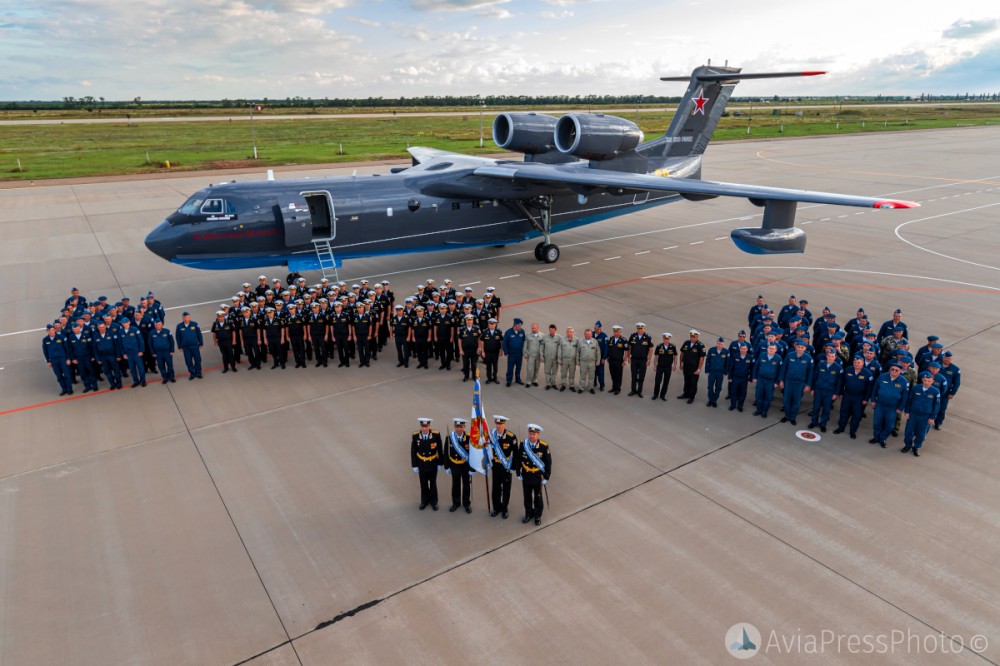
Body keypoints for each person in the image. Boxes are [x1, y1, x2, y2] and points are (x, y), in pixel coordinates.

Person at [515, 423, 551, 526]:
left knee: (538, 498)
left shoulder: (544, 446)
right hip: (526, 475)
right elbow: (519, 459)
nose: (532, 436)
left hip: (537, 476)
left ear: (538, 435)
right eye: (530, 433)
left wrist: (546, 477)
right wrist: (518, 472)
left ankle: (537, 516)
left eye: (534, 434)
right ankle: (528, 514)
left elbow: (548, 463)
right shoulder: (523, 444)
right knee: (527, 497)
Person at [869, 363, 909, 448]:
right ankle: (876, 437)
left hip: (893, 407)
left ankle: (883, 439)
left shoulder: (904, 381)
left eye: (896, 370)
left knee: (889, 425)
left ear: (900, 371)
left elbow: (905, 396)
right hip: (880, 404)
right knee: (877, 422)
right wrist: (873, 400)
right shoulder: (882, 376)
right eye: (892, 369)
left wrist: (900, 408)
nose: (894, 371)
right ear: (890, 369)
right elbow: (875, 389)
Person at [901, 371, 940, 457]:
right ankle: (908, 445)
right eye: (925, 380)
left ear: (932, 381)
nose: (926, 382)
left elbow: (936, 406)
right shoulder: (915, 388)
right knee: (908, 431)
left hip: (925, 416)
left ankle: (916, 447)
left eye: (929, 381)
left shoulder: (935, 391)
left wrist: (932, 417)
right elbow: (909, 400)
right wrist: (907, 411)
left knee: (921, 434)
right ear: (922, 379)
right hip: (913, 414)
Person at [834, 355, 873, 438]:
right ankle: (841, 428)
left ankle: (853, 431)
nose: (857, 364)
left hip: (859, 398)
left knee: (856, 415)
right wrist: (840, 392)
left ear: (862, 363)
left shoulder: (867, 373)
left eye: (858, 362)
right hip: (847, 395)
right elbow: (842, 382)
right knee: (844, 412)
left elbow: (869, 388)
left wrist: (866, 399)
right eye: (855, 362)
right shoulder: (848, 369)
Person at [488, 416, 518, 519]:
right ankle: (496, 508)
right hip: (495, 466)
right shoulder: (491, 435)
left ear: (504, 424)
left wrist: (513, 467)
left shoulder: (511, 437)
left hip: (506, 468)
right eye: (496, 424)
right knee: (495, 489)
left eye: (500, 424)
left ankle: (504, 509)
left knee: (506, 490)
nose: (498, 426)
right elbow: (486, 448)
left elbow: (516, 453)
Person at [411, 417, 442, 511]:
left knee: (433, 483)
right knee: (423, 483)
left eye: (426, 426)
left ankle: (434, 502)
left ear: (429, 426)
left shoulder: (436, 435)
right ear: (420, 426)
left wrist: (440, 463)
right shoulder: (416, 436)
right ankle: (424, 501)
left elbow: (440, 450)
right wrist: (414, 465)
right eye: (422, 426)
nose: (424, 429)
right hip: (422, 464)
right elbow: (413, 451)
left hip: (432, 463)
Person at [780, 339, 813, 426]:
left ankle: (792, 417)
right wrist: (781, 380)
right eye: (798, 347)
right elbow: (783, 368)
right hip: (788, 381)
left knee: (796, 401)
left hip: (800, 383)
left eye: (802, 347)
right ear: (796, 347)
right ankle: (786, 416)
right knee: (786, 400)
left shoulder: (808, 359)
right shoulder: (789, 355)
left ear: (805, 348)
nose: (800, 349)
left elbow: (810, 373)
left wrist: (808, 385)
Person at [808, 349, 842, 432]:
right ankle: (814, 422)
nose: (830, 358)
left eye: (832, 357)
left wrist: (836, 393)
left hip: (829, 391)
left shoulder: (838, 368)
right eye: (829, 356)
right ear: (826, 356)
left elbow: (839, 382)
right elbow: (815, 377)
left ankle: (823, 424)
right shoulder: (820, 364)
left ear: (835, 357)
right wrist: (812, 389)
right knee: (816, 407)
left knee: (826, 409)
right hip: (818, 390)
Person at [444, 418, 473, 513]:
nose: (459, 429)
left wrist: (472, 468)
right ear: (454, 427)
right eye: (457, 426)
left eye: (461, 427)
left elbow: (473, 454)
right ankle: (455, 503)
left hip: (465, 466)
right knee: (455, 485)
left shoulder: (469, 438)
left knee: (466, 485)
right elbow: (446, 453)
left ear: (464, 427)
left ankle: (466, 504)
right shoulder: (449, 437)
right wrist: (447, 466)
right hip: (454, 465)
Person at [751, 343, 782, 418]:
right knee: (758, 396)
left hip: (771, 381)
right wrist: (754, 377)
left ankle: (764, 411)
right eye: (769, 348)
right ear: (767, 348)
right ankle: (758, 410)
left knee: (768, 398)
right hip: (761, 379)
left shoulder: (778, 358)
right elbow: (756, 366)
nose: (771, 350)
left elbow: (780, 371)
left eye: (772, 348)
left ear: (776, 350)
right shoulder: (762, 355)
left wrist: (776, 382)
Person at [67, 321, 99, 393]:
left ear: (79, 328)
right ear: (72, 330)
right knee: (82, 373)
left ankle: (94, 386)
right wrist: (73, 359)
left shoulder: (86, 335)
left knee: (91, 371)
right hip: (78, 358)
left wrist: (93, 356)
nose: (75, 330)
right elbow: (70, 349)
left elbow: (91, 347)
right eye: (74, 329)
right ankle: (87, 386)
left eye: (77, 328)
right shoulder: (71, 337)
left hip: (87, 357)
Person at [42, 325, 73, 396]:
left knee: (67, 374)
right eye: (49, 330)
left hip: (62, 358)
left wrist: (68, 358)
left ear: (55, 330)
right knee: (59, 376)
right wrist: (48, 361)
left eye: (52, 330)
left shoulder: (61, 337)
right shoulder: (45, 340)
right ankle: (64, 389)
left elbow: (66, 349)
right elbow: (45, 351)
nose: (51, 331)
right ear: (47, 331)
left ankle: (69, 389)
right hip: (53, 360)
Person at [677, 330, 706, 403]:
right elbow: (682, 354)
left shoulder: (700, 345)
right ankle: (685, 394)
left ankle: (691, 397)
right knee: (686, 381)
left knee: (693, 383)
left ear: (697, 337)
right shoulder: (686, 343)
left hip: (694, 367)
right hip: (686, 366)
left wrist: (699, 369)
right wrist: (681, 364)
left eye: (694, 337)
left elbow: (702, 358)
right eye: (691, 336)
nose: (692, 338)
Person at [93, 321, 123, 390]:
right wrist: (98, 359)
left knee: (116, 370)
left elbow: (116, 346)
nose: (102, 328)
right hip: (103, 357)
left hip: (112, 356)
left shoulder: (112, 334)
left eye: (103, 327)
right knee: (107, 372)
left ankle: (119, 383)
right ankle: (112, 384)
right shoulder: (95, 336)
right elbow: (95, 349)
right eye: (100, 327)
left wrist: (118, 356)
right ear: (98, 328)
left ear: (105, 327)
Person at [626, 323, 653, 398]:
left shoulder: (648, 337)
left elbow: (650, 349)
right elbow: (629, 346)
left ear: (644, 329)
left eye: (641, 329)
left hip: (643, 360)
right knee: (634, 375)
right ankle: (633, 390)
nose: (640, 330)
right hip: (634, 359)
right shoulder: (633, 336)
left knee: (641, 376)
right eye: (639, 328)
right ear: (637, 329)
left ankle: (639, 391)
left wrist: (649, 359)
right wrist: (628, 357)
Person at [175, 312, 204, 380]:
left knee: (198, 360)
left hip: (195, 346)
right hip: (186, 347)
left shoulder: (195, 324)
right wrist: (180, 346)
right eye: (184, 317)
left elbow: (199, 334)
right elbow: (178, 337)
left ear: (189, 317)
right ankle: (192, 373)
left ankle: (198, 373)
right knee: (188, 361)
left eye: (187, 317)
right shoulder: (179, 326)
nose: (186, 318)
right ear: (182, 318)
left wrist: (201, 343)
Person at [935, 352, 960, 430]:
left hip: (945, 393)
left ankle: (938, 422)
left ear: (952, 358)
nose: (946, 359)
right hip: (933, 390)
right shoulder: (935, 365)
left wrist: (952, 393)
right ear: (943, 357)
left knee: (942, 408)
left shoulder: (955, 369)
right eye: (945, 358)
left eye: (948, 358)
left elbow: (957, 383)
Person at [119, 317, 147, 387]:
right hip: (128, 354)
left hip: (136, 353)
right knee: (132, 369)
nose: (124, 324)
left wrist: (141, 350)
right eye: (123, 323)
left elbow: (141, 341)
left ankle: (143, 381)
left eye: (125, 323)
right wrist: (123, 354)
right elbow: (120, 344)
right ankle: (136, 381)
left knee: (140, 368)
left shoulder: (135, 330)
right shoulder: (121, 332)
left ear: (129, 322)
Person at [726, 341, 754, 412]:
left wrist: (750, 379)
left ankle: (740, 406)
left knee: (743, 393)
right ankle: (733, 405)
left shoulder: (749, 357)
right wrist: (730, 377)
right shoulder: (735, 356)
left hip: (744, 379)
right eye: (741, 348)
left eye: (744, 349)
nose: (743, 350)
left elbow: (751, 369)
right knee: (733, 392)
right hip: (735, 377)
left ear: (747, 349)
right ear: (739, 349)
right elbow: (731, 367)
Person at [149, 319, 177, 384]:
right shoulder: (151, 333)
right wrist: (153, 353)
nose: (158, 326)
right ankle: (165, 378)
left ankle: (171, 377)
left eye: (159, 324)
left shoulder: (167, 331)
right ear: (154, 325)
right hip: (158, 353)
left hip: (167, 352)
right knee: (161, 366)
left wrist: (172, 350)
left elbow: (171, 341)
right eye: (156, 325)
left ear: (162, 325)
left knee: (170, 365)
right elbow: (150, 344)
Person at [651, 333, 678, 401]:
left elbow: (675, 356)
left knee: (666, 382)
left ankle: (662, 395)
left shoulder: (673, 347)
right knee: (657, 381)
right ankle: (655, 394)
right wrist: (655, 366)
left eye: (667, 339)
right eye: (665, 339)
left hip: (668, 367)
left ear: (669, 339)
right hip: (660, 366)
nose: (666, 340)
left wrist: (674, 365)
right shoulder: (659, 346)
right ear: (663, 339)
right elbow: (656, 356)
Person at [704, 337, 729, 407]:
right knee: (710, 387)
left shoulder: (726, 352)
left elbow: (727, 363)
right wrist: (707, 370)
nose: (719, 345)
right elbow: (707, 361)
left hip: (720, 373)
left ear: (723, 344)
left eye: (721, 344)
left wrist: (725, 372)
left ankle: (714, 400)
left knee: (718, 388)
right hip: (712, 372)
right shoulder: (711, 350)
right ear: (716, 343)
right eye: (718, 343)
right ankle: (710, 400)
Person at [458, 314, 482, 382]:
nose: (469, 321)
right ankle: (466, 376)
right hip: (465, 350)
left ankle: (474, 376)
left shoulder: (477, 328)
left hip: (474, 350)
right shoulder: (462, 329)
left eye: (471, 320)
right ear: (465, 321)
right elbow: (459, 339)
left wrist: (479, 348)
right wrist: (460, 350)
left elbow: (480, 338)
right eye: (468, 320)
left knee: (474, 364)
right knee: (465, 364)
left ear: (472, 321)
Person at [502, 318, 526, 386]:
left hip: (519, 354)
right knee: (510, 368)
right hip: (511, 355)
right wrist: (506, 352)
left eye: (521, 326)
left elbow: (524, 341)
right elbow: (504, 343)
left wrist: (524, 352)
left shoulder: (522, 332)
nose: (520, 328)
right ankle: (509, 381)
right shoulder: (508, 332)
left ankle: (518, 379)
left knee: (518, 368)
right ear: (515, 325)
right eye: (519, 326)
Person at [481, 318, 504, 383]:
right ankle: (489, 378)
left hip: (495, 352)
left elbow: (501, 341)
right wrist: (482, 351)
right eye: (490, 324)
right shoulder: (485, 331)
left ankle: (495, 378)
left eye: (493, 324)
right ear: (488, 324)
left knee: (495, 366)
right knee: (488, 366)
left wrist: (501, 350)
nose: (491, 325)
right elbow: (482, 341)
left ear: (495, 324)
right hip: (487, 352)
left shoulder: (499, 332)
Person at [606, 325, 628, 395]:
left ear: (620, 332)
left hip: (619, 361)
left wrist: (625, 361)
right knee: (612, 374)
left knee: (618, 375)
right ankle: (613, 387)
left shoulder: (624, 340)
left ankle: (618, 388)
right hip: (611, 360)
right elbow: (609, 349)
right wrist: (607, 357)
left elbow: (626, 351)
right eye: (615, 332)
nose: (616, 333)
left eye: (617, 332)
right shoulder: (611, 339)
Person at [577, 328, 599, 394]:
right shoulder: (581, 342)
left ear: (591, 334)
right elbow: (578, 352)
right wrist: (577, 361)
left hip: (592, 362)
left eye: (589, 334)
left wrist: (598, 361)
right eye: (586, 334)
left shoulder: (595, 341)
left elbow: (598, 352)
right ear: (584, 334)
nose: (588, 335)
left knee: (591, 377)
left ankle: (591, 388)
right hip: (583, 362)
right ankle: (581, 388)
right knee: (582, 376)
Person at [559, 327, 581, 392]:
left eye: (570, 332)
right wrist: (559, 359)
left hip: (572, 360)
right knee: (563, 373)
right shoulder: (562, 339)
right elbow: (560, 350)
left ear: (573, 332)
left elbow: (578, 351)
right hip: (564, 360)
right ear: (566, 332)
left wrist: (577, 360)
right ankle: (563, 385)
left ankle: (571, 385)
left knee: (572, 373)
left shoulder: (577, 340)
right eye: (568, 332)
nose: (569, 333)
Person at [541, 324, 562, 390]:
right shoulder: (545, 337)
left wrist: (560, 358)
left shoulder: (559, 337)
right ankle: (548, 384)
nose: (551, 332)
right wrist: (541, 356)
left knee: (554, 372)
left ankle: (553, 383)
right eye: (550, 330)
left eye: (552, 330)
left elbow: (561, 348)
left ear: (555, 330)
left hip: (555, 358)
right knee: (547, 371)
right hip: (547, 358)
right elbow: (541, 347)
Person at [523, 322, 543, 388]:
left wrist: (542, 356)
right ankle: (528, 382)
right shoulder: (528, 335)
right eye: (532, 328)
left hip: (538, 356)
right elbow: (525, 345)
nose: (533, 329)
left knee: (536, 369)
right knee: (529, 369)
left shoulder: (542, 335)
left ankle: (535, 380)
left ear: (537, 328)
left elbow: (543, 346)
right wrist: (525, 353)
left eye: (534, 328)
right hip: (530, 355)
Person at [593, 321, 608, 392]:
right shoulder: (591, 334)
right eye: (597, 328)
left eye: (599, 328)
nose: (598, 330)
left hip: (600, 358)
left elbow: (606, 348)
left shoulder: (604, 336)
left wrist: (604, 358)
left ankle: (602, 385)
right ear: (594, 328)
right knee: (593, 372)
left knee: (600, 373)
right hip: (592, 358)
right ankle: (594, 383)